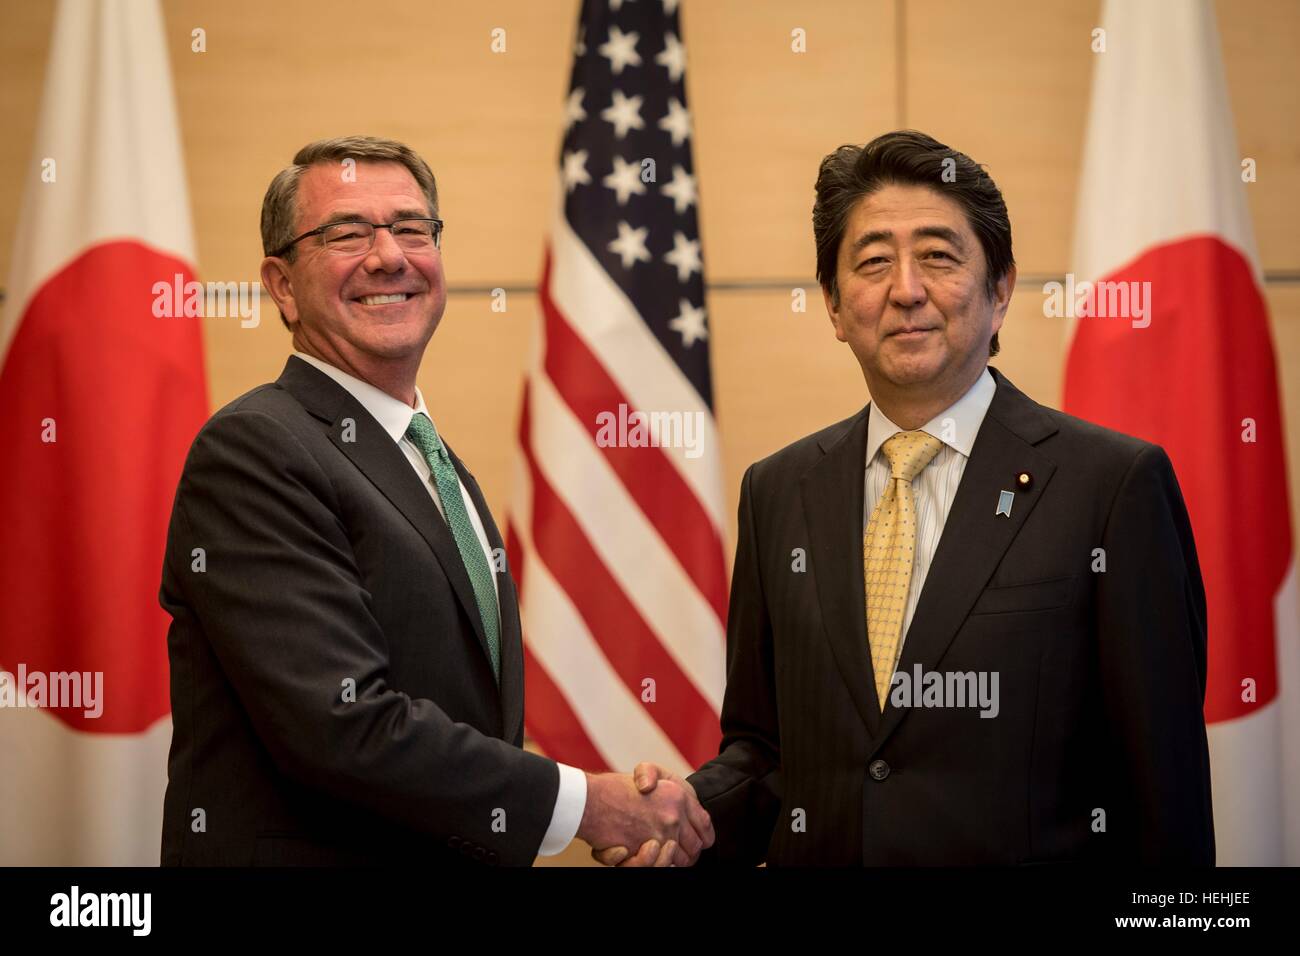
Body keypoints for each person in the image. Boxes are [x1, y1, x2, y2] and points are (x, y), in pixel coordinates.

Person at [600, 129, 1214, 866]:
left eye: (938, 256)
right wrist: (685, 824)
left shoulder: (1111, 488)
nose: (906, 289)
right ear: (832, 304)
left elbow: (1163, 796)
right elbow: (768, 752)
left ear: (1001, 290)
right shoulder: (779, 491)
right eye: (872, 262)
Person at [159, 136, 711, 866]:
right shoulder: (256, 451)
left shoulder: (438, 467)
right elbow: (345, 727)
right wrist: (586, 805)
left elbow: (463, 723)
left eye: (412, 229)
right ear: (282, 284)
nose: (389, 257)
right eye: (347, 233)